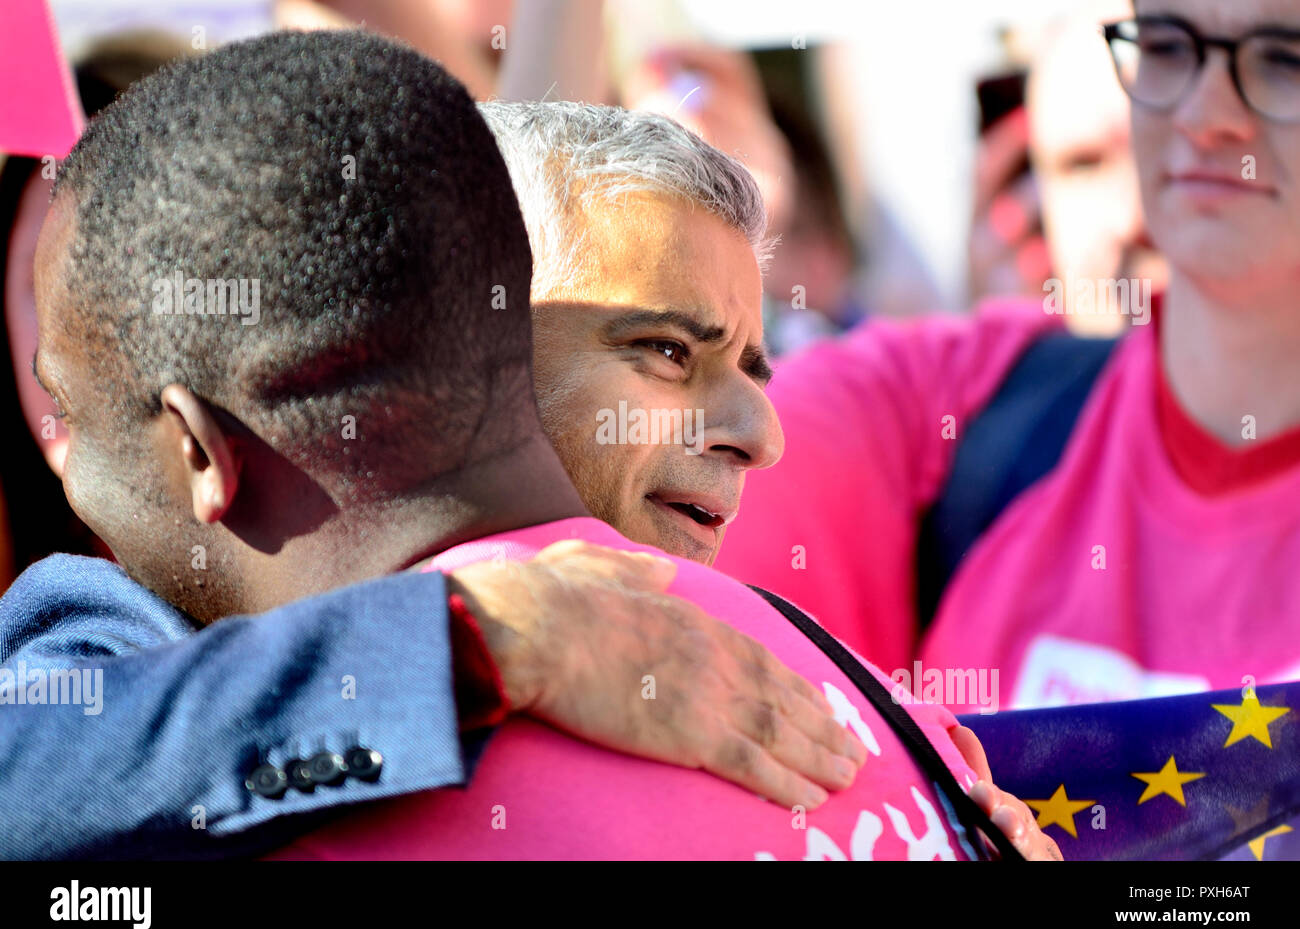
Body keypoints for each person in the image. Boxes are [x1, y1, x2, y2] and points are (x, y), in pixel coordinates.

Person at [26, 29, 1048, 859]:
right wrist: (489, 632)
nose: (761, 434)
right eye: (661, 349)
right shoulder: (135, 644)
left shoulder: (857, 706)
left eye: (751, 365)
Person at [717, 0, 1300, 711]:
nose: (1206, 115)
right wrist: (688, 242)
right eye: (1169, 45)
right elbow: (595, 513)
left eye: (1284, 57)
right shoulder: (951, 408)